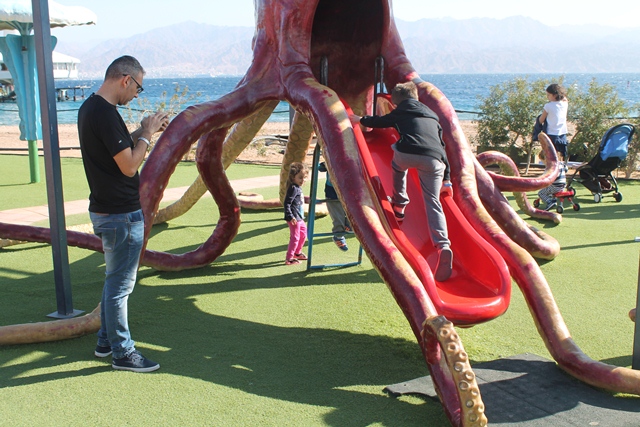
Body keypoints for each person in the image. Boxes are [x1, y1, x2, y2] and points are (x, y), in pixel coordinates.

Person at [78, 55, 169, 373]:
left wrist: (143, 130)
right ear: (125, 79)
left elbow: (117, 151)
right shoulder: (104, 113)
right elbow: (130, 165)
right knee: (120, 287)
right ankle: (123, 352)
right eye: (138, 88)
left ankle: (105, 341)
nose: (136, 95)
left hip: (106, 210)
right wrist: (147, 134)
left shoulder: (91, 108)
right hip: (120, 214)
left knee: (113, 279)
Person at [352, 81, 453, 281]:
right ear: (416, 97)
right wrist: (447, 179)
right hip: (435, 160)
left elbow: (380, 122)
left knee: (398, 166)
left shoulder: (400, 111)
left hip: (407, 153)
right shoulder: (432, 115)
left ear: (397, 102)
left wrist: (360, 119)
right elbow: (441, 146)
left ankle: (399, 205)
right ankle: (443, 245)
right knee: (433, 201)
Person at [318, 161, 351, 251]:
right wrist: (324, 165)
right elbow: (319, 167)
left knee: (355, 215)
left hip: (349, 191)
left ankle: (348, 226)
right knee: (338, 217)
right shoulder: (333, 158)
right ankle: (338, 236)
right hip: (333, 193)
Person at [283, 162, 308, 265]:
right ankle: (289, 258)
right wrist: (290, 216)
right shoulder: (293, 188)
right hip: (294, 218)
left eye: (304, 177)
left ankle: (297, 253)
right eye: (300, 178)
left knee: (303, 234)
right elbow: (287, 203)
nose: (303, 180)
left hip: (299, 217)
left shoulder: (298, 187)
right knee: (295, 237)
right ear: (293, 177)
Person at [539, 83, 569, 159]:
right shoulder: (565, 104)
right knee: (560, 155)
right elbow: (565, 99)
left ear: (555, 95)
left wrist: (538, 120)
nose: (547, 97)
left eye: (549, 95)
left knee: (550, 155)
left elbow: (541, 120)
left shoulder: (548, 106)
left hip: (551, 133)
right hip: (562, 134)